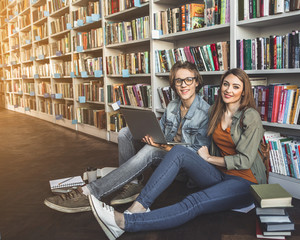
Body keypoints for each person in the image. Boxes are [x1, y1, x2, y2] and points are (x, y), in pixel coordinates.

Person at [88, 68, 267, 240]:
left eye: (236, 86)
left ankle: (124, 222)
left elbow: (244, 161)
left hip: (245, 181)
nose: (229, 90)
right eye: (226, 84)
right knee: (179, 151)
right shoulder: (215, 111)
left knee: (194, 201)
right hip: (219, 174)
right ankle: (139, 206)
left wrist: (209, 158)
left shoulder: (250, 116)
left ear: (244, 92)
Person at [44, 61, 210, 213]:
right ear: (173, 84)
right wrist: (151, 135)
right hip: (166, 155)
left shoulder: (206, 112)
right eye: (178, 81)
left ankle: (90, 192)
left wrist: (163, 147)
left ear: (197, 81)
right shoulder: (173, 105)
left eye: (188, 79)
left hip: (186, 169)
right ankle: (132, 184)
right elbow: (161, 134)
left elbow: (198, 153)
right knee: (125, 133)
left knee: (151, 151)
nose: (183, 85)